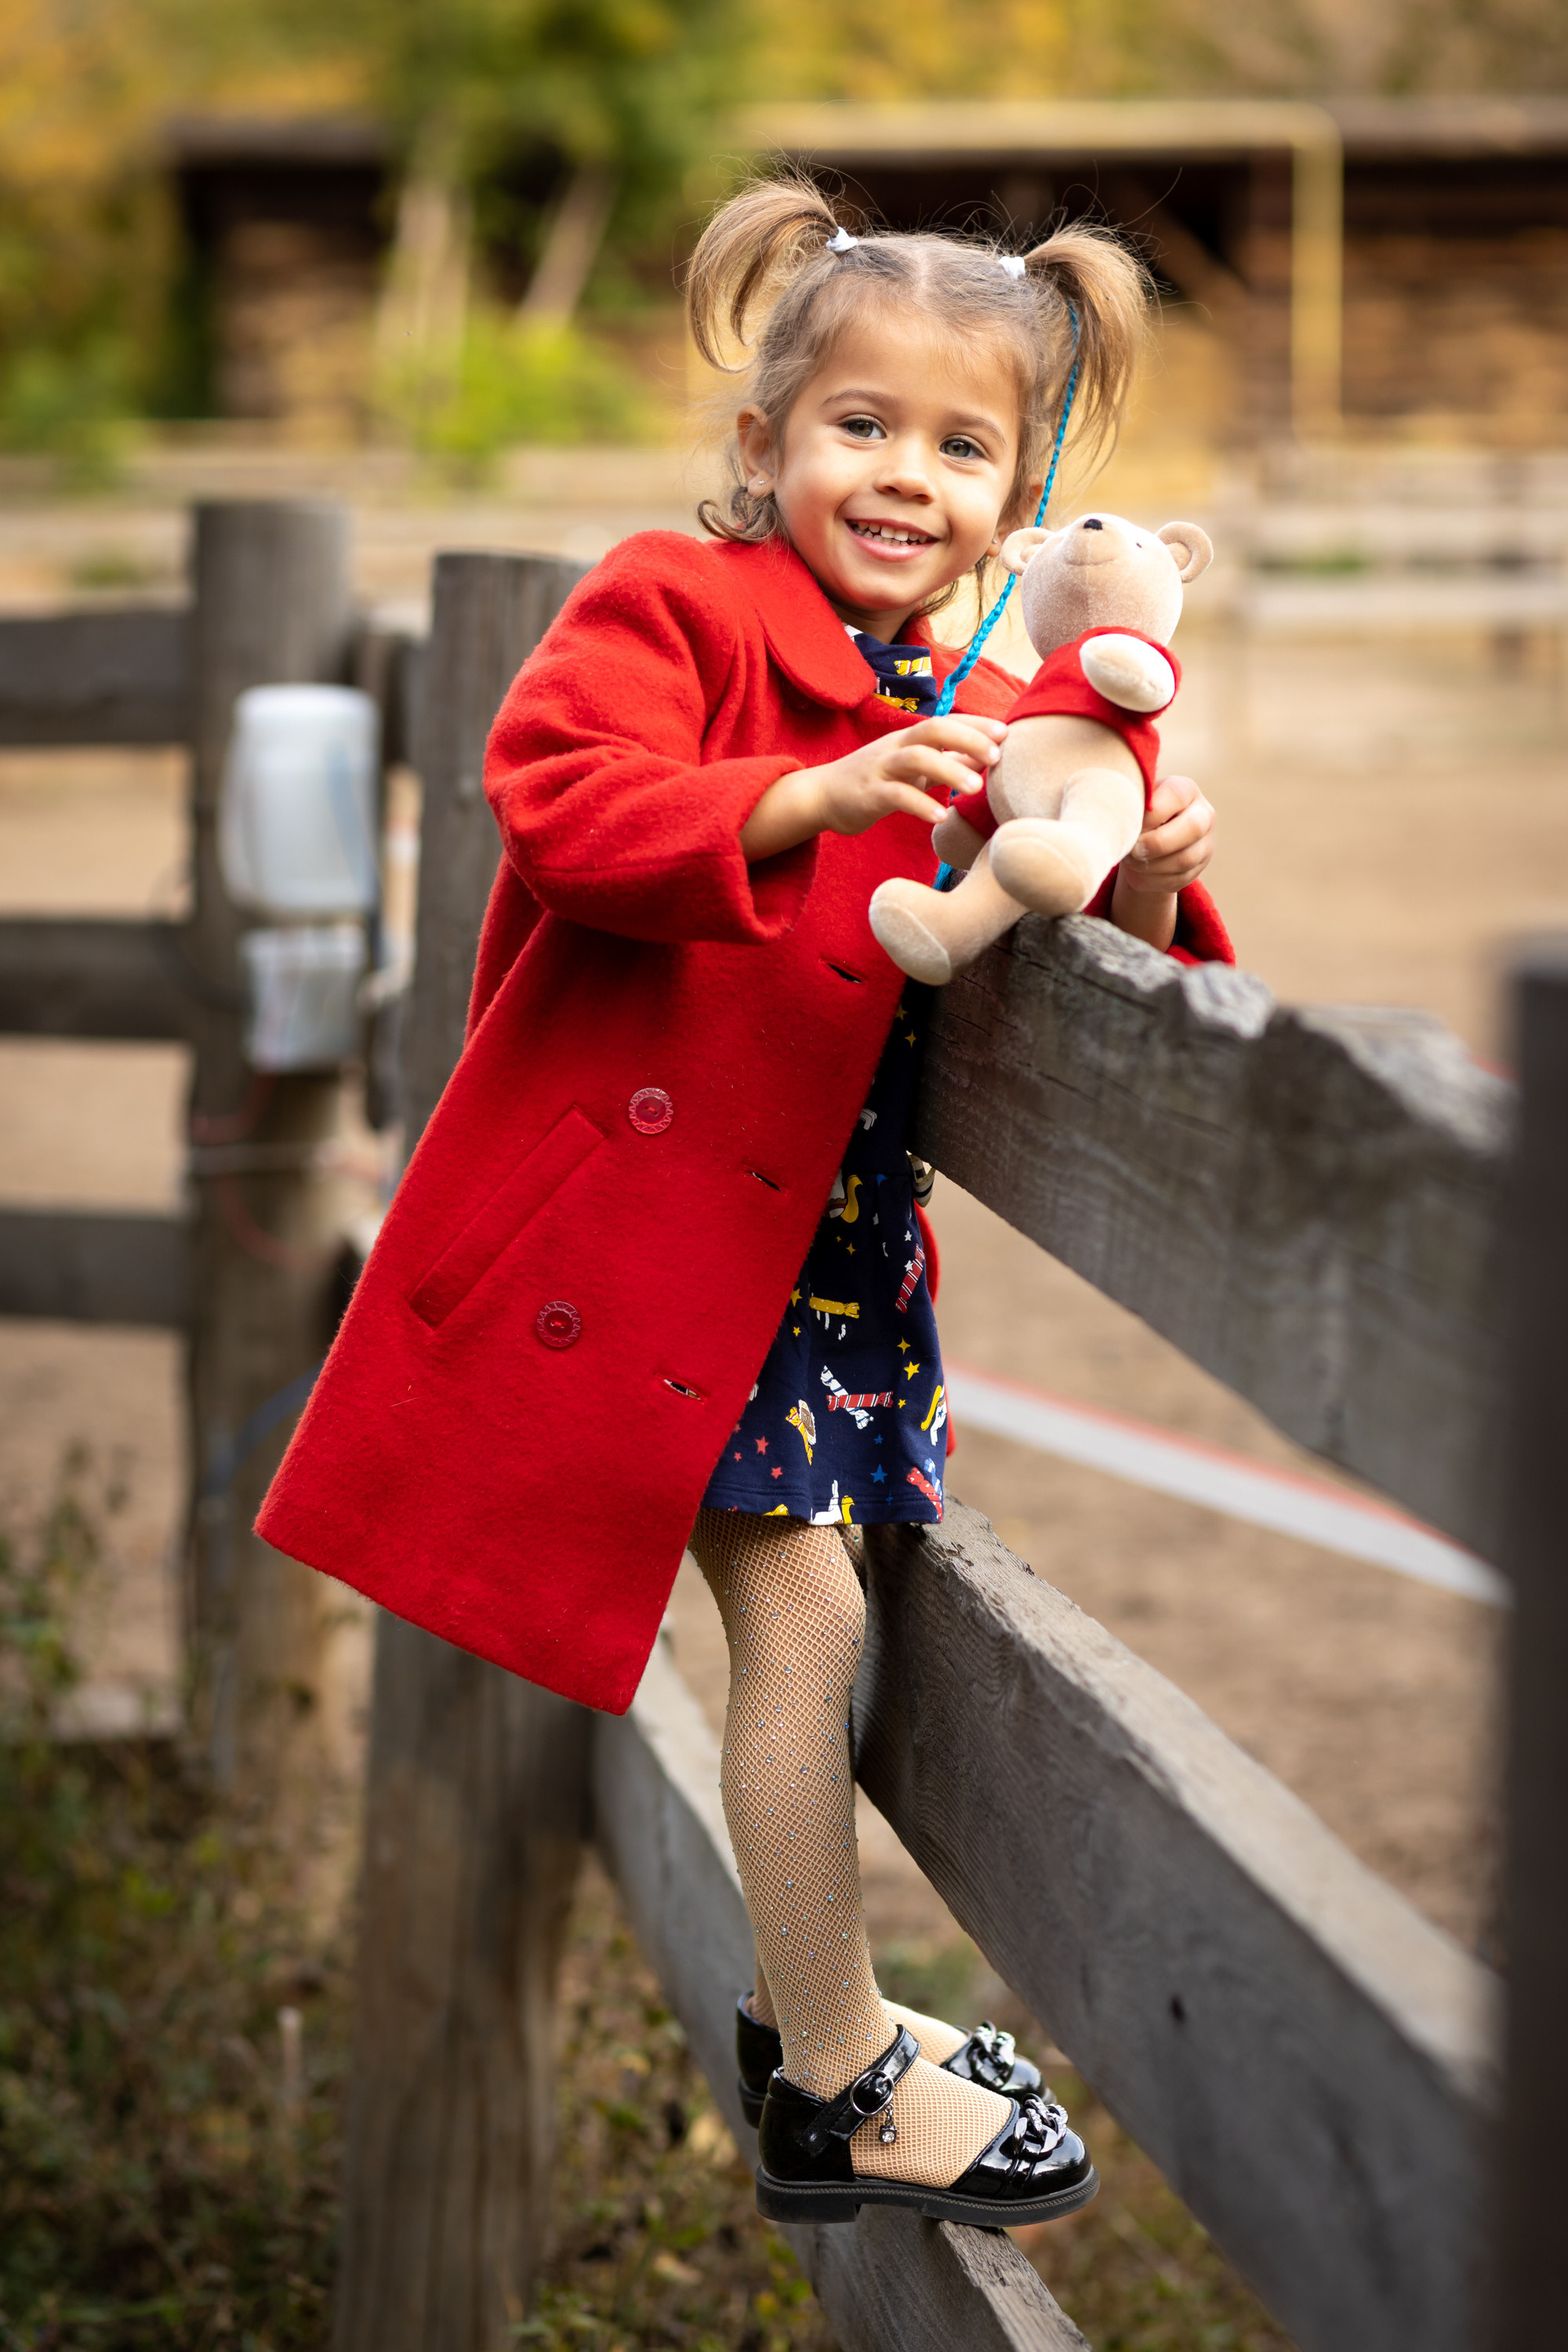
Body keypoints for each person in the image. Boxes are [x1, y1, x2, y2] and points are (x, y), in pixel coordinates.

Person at [258, 175, 1231, 2231]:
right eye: (859, 424)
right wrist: (796, 794)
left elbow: (1067, 954)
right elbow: (561, 796)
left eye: (964, 446)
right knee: (804, 1632)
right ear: (760, 442)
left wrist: (1142, 860)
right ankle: (835, 2068)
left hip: (830, 1269)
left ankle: (839, 2031)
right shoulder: (675, 610)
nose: (906, 475)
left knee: (839, 1628)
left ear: (1027, 489)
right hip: (670, 1268)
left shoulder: (971, 690)